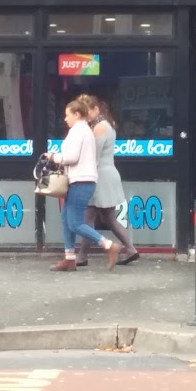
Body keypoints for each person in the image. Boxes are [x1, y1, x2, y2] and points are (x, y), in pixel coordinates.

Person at [45, 98, 121, 272]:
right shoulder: (84, 130)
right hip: (81, 180)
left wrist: (53, 157)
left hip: (81, 181)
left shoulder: (78, 131)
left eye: (67, 115)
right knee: (66, 219)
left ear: (77, 114)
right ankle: (69, 258)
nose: (65, 119)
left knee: (74, 223)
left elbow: (71, 157)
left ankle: (109, 245)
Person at [75, 95, 139, 267]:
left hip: (99, 178)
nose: (85, 116)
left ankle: (82, 256)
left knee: (88, 219)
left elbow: (92, 157)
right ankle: (130, 249)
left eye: (87, 112)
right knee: (109, 218)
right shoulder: (108, 124)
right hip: (108, 174)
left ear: (96, 109)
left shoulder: (99, 128)